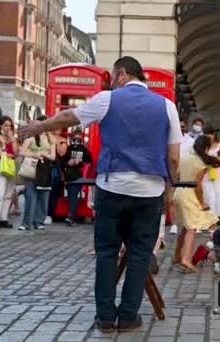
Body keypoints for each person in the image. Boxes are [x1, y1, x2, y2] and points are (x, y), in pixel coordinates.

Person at [18, 56, 181, 333]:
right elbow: (174, 157)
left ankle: (105, 317)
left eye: (112, 77)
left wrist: (40, 127)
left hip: (112, 185)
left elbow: (70, 116)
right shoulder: (167, 106)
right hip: (149, 189)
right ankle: (129, 316)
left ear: (121, 75)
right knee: (140, 254)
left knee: (107, 252)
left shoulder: (108, 99)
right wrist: (171, 187)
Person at [173, 135, 220, 273]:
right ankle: (186, 259)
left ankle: (177, 254)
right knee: (192, 227)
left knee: (184, 226)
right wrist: (202, 203)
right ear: (206, 148)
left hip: (179, 191)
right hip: (189, 194)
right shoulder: (201, 163)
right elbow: (198, 185)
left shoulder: (185, 157)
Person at [18, 116, 56, 231]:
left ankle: (39, 221)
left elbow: (53, 156)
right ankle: (26, 223)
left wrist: (43, 154)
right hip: (32, 169)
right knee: (30, 196)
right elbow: (22, 152)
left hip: (44, 170)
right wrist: (34, 155)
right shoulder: (30, 138)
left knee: (43, 196)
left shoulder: (51, 139)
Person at [0, 116, 19, 230]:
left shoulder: (13, 139)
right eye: (5, 125)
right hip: (1, 164)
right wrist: (7, 153)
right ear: (1, 125)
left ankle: (4, 218)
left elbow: (16, 152)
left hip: (11, 165)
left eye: (10, 126)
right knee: (0, 193)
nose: (8, 128)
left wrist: (12, 138)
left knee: (9, 193)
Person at [62, 129, 93, 226]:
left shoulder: (84, 150)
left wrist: (80, 162)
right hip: (70, 175)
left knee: (72, 193)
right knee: (72, 194)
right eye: (75, 138)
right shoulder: (69, 149)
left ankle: (70, 216)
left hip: (79, 176)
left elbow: (90, 161)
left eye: (79, 139)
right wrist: (68, 163)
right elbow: (63, 161)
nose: (76, 141)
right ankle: (71, 216)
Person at [202, 125, 220, 217]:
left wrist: (217, 159)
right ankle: (208, 216)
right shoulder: (204, 144)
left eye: (209, 134)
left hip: (218, 171)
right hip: (206, 171)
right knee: (208, 193)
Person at [46, 128, 68, 224]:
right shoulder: (46, 137)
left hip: (56, 168)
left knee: (53, 192)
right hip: (45, 166)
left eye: (60, 127)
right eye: (56, 126)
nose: (58, 129)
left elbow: (61, 153)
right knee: (43, 190)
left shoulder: (63, 140)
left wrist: (56, 141)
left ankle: (49, 214)